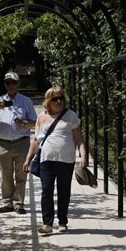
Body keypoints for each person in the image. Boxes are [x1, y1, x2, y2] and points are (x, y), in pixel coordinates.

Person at [23, 86, 87, 234]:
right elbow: (36, 141)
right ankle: (47, 223)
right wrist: (28, 159)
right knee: (46, 191)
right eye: (55, 99)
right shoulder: (41, 118)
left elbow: (79, 139)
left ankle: (63, 222)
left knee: (64, 191)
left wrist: (83, 156)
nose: (59, 101)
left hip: (66, 161)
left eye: (61, 98)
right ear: (48, 101)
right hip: (46, 160)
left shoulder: (71, 116)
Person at [0, 71, 38, 215]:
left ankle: (18, 203)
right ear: (5, 85)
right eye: (8, 83)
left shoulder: (26, 101)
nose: (11, 85)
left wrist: (23, 123)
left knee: (21, 175)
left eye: (13, 82)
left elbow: (35, 123)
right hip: (3, 144)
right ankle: (7, 203)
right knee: (6, 176)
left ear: (18, 84)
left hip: (21, 143)